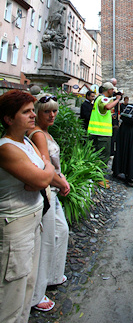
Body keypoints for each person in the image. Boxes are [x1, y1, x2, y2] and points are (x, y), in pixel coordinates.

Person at [0, 90, 55, 323]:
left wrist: (42, 170)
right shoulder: (6, 148)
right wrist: (43, 171)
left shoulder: (26, 143)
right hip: (15, 226)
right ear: (9, 119)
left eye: (33, 110)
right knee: (9, 295)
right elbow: (43, 178)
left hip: (32, 220)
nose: (34, 115)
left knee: (26, 286)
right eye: (26, 111)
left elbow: (41, 175)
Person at [28, 94, 70, 311]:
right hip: (47, 191)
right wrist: (61, 182)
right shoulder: (38, 135)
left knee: (61, 231)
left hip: (53, 189)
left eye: (54, 110)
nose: (52, 114)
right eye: (47, 111)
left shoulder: (44, 132)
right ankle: (37, 294)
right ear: (37, 112)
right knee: (44, 242)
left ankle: (53, 275)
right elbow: (46, 167)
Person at [87, 82, 122, 164]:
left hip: (95, 131)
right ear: (109, 90)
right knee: (103, 157)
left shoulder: (98, 98)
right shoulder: (102, 99)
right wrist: (117, 99)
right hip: (102, 134)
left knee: (96, 156)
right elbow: (107, 107)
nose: (113, 91)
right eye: (112, 89)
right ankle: (101, 174)